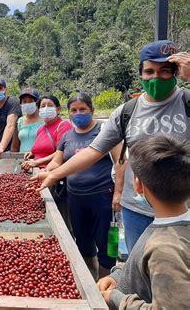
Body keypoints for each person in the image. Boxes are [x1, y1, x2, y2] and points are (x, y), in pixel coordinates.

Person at [34, 40, 190, 252]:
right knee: (138, 267)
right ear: (141, 74)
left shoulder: (186, 102)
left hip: (182, 209)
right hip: (136, 208)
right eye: (149, 71)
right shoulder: (127, 111)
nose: (155, 77)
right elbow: (93, 151)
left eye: (164, 71)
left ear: (176, 72)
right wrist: (55, 174)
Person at [34, 93, 122, 280]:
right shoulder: (66, 136)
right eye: (73, 110)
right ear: (68, 113)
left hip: (102, 196)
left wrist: (119, 193)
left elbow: (120, 162)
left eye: (83, 109)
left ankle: (105, 281)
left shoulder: (104, 131)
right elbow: (57, 163)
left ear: (92, 110)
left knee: (105, 242)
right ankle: (90, 278)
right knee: (82, 240)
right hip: (75, 197)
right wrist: (45, 173)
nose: (78, 113)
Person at [98, 135, 189, 310]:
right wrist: (118, 277)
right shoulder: (167, 227)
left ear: (138, 185)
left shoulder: (165, 247)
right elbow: (142, 265)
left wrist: (116, 298)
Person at [22, 94, 72, 170]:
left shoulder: (63, 125)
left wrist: (36, 162)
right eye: (43, 106)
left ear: (58, 109)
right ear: (39, 110)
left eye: (50, 105)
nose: (46, 108)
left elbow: (61, 152)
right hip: (36, 171)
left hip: (51, 172)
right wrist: (33, 153)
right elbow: (42, 149)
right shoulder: (40, 129)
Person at [0, 77, 22, 159]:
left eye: (0, 88)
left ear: (5, 89)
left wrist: (0, 148)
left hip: (14, 151)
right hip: (0, 152)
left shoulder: (12, 102)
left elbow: (11, 125)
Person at [11, 88, 43, 153]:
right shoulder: (19, 121)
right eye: (24, 101)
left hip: (39, 159)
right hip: (21, 160)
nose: (27, 104)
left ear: (37, 103)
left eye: (31, 101)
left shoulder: (44, 121)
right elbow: (15, 147)